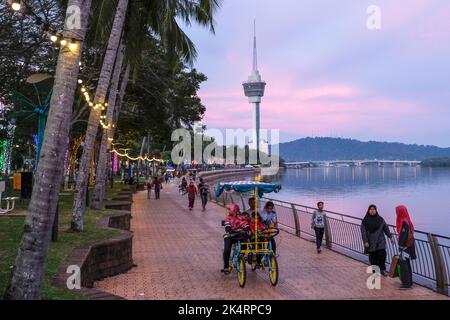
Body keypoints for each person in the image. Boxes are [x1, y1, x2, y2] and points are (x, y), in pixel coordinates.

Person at [361, 204, 395, 276]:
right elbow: (363, 232)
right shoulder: (365, 221)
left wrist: (390, 236)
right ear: (368, 210)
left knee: (382, 254)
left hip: (380, 241)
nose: (372, 211)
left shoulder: (380, 219)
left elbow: (386, 228)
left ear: (376, 210)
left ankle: (382, 269)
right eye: (371, 209)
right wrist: (365, 241)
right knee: (373, 256)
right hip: (370, 241)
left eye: (374, 209)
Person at [222, 204, 250, 274]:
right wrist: (229, 231)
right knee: (227, 250)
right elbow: (227, 227)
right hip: (230, 235)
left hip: (240, 235)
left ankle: (241, 257)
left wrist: (247, 230)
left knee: (245, 243)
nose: (229, 211)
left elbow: (246, 225)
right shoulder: (228, 218)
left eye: (230, 210)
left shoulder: (241, 218)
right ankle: (226, 267)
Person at [396, 205, 417, 290]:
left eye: (397, 211)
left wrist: (400, 246)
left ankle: (406, 284)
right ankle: (409, 281)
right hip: (409, 247)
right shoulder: (407, 220)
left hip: (405, 248)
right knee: (407, 264)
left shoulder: (403, 221)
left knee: (404, 264)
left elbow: (404, 236)